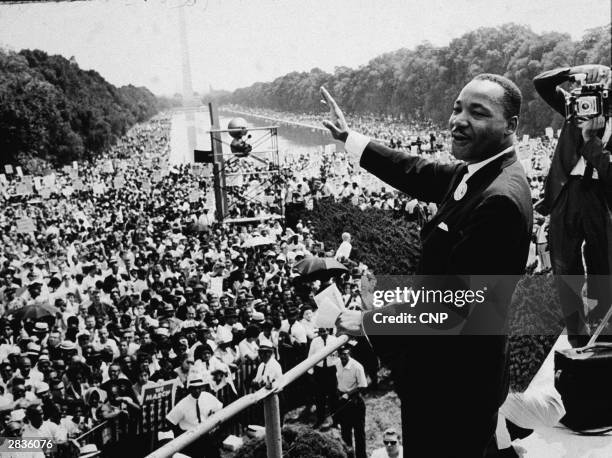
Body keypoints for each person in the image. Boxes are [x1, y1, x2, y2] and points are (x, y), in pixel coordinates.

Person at [323, 72, 532, 457]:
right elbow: (412, 170)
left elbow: (454, 307)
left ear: (511, 126)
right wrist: (349, 138)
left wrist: (369, 322)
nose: (459, 120)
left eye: (478, 112)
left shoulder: (498, 199)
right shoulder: (477, 173)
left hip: (454, 384)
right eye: (456, 109)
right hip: (454, 373)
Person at [533, 64, 612, 346]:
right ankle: (577, 334)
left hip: (599, 194)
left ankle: (605, 331)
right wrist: (576, 71)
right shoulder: (574, 104)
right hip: (566, 191)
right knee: (565, 264)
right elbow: (541, 83)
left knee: (603, 262)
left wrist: (591, 140)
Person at [165, 377, 222, 458]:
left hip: (206, 433)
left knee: (214, 454)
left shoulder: (207, 396)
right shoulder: (183, 404)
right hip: (191, 437)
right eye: (194, 388)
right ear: (190, 389)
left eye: (199, 388)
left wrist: (213, 421)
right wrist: (180, 435)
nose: (197, 391)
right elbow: (169, 420)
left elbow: (219, 408)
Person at [333, 345, 367, 458]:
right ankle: (349, 455)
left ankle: (361, 456)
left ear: (349, 353)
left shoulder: (357, 367)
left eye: (345, 354)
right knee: (345, 432)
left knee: (359, 433)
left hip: (355, 401)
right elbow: (339, 380)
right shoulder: (337, 363)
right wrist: (339, 392)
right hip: (343, 402)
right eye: (341, 353)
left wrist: (348, 394)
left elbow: (362, 386)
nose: (343, 356)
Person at [307, 327, 338, 428]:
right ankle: (320, 419)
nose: (323, 333)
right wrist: (310, 372)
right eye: (321, 331)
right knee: (320, 397)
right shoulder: (315, 342)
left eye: (324, 331)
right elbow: (310, 356)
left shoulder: (334, 340)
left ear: (328, 331)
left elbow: (337, 356)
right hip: (319, 371)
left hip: (331, 370)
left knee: (333, 397)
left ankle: (335, 421)